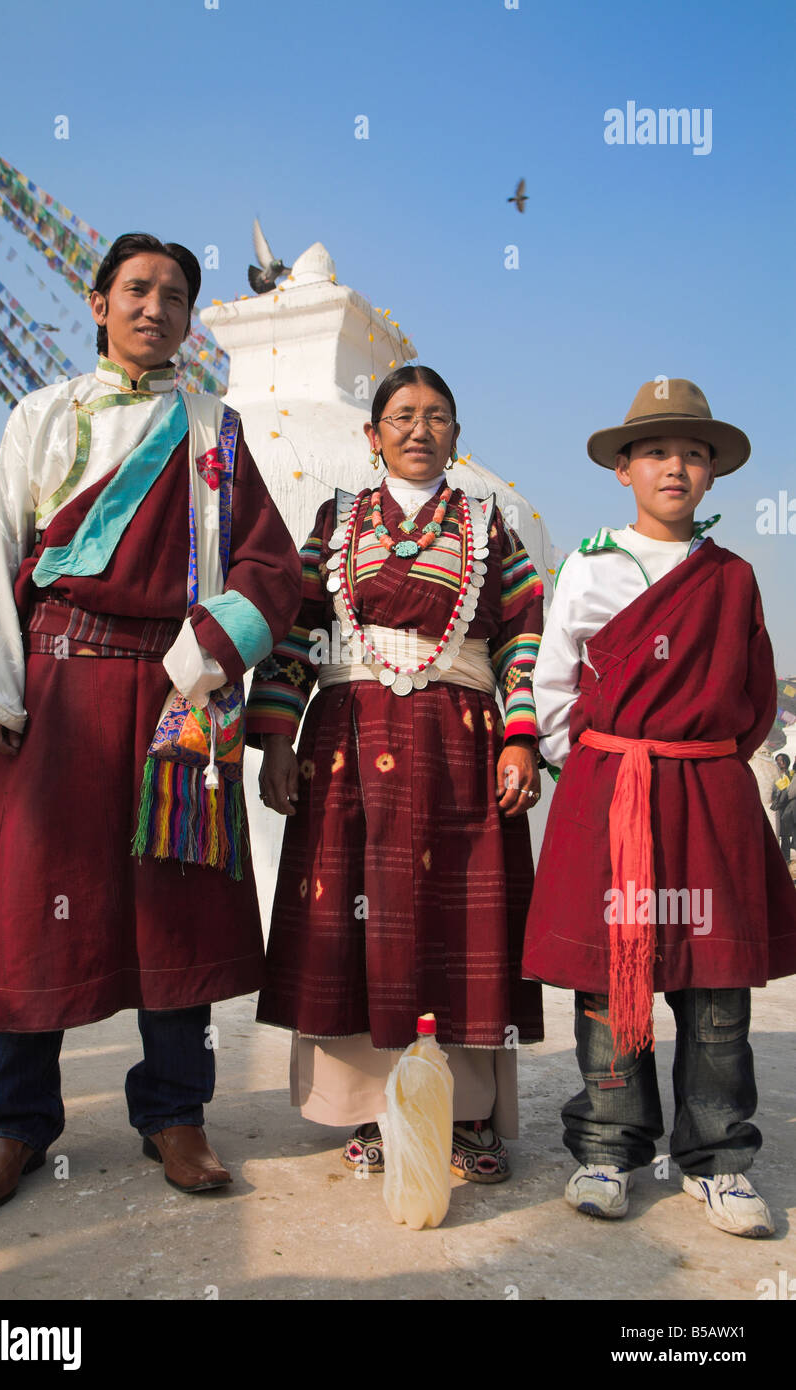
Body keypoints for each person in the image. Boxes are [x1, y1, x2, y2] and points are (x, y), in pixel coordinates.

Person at [0, 232, 301, 1212]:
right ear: (97, 302)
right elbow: (0, 558)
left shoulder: (214, 433)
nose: (155, 306)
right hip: (53, 698)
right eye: (136, 289)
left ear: (190, 318)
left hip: (173, 708)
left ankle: (175, 1115)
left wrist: (210, 649)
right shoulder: (41, 415)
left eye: (175, 294)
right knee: (29, 911)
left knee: (171, 909)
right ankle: (13, 1125)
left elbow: (273, 568)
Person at [247, 365, 544, 1182]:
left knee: (463, 923)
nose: (421, 430)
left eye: (438, 417)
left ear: (456, 434)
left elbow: (523, 636)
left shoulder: (490, 524)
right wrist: (277, 740)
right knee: (359, 920)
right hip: (347, 745)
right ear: (371, 434)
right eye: (403, 416)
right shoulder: (335, 521)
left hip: (462, 745)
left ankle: (469, 1112)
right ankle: (378, 1109)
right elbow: (298, 629)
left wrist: (521, 739)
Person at [523, 379, 796, 1238]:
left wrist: (697, 764)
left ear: (712, 473)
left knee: (717, 989)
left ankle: (717, 1159)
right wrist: (600, 773)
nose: (674, 466)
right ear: (623, 470)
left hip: (708, 793)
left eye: (692, 452)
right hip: (611, 795)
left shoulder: (735, 578)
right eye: (655, 451)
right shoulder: (589, 567)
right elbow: (554, 685)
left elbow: (754, 699)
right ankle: (609, 1149)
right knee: (612, 982)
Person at [770, 752, 792, 860]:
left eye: (782, 760)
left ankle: (786, 858)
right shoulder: (775, 775)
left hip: (787, 808)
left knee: (785, 834)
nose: (780, 762)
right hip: (777, 808)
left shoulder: (790, 775)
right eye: (778, 760)